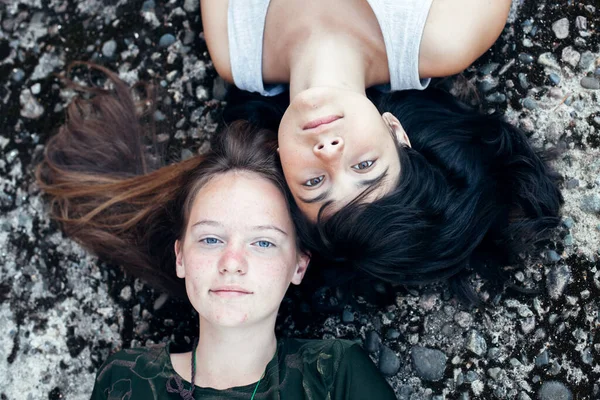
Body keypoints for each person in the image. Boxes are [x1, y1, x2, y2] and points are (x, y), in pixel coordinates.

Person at [37, 65, 396, 399]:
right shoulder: (127, 379)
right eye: (211, 239)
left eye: (263, 242)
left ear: (299, 265)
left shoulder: (335, 374)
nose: (231, 262)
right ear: (181, 256)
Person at [201, 0, 513, 221]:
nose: (329, 152)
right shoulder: (446, 37)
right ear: (396, 132)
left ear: (281, 164)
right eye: (364, 165)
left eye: (314, 183)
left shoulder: (235, 51)